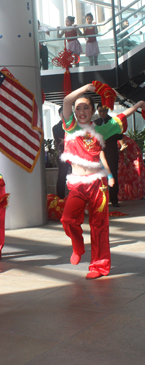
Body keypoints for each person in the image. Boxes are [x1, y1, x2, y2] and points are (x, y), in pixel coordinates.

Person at [60, 83, 144, 279]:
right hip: (78, 184)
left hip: (98, 185)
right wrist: (85, 89)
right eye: (78, 107)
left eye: (86, 107)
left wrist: (139, 103)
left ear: (92, 111)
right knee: (68, 219)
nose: (81, 111)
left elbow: (123, 116)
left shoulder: (102, 130)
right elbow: (66, 100)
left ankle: (99, 266)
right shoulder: (70, 126)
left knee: (99, 226)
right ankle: (78, 247)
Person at [94, 104, 122, 207]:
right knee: (100, 176)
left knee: (113, 175)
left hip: (111, 152)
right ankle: (101, 199)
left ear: (107, 110)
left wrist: (109, 133)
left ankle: (114, 199)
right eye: (100, 111)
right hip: (98, 153)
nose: (102, 113)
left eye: (104, 111)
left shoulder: (113, 121)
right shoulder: (95, 122)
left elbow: (120, 135)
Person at [117, 135, 145, 201]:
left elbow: (124, 149)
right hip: (130, 159)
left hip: (130, 159)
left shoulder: (120, 139)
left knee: (127, 176)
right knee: (130, 177)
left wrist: (125, 159)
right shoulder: (123, 138)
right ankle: (134, 194)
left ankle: (127, 195)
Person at [52, 107, 70, 198]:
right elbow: (59, 142)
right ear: (59, 114)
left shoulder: (73, 126)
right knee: (62, 178)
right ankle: (60, 198)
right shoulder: (56, 128)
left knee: (78, 177)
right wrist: (71, 139)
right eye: (63, 113)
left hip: (75, 154)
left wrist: (66, 140)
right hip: (63, 155)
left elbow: (78, 139)